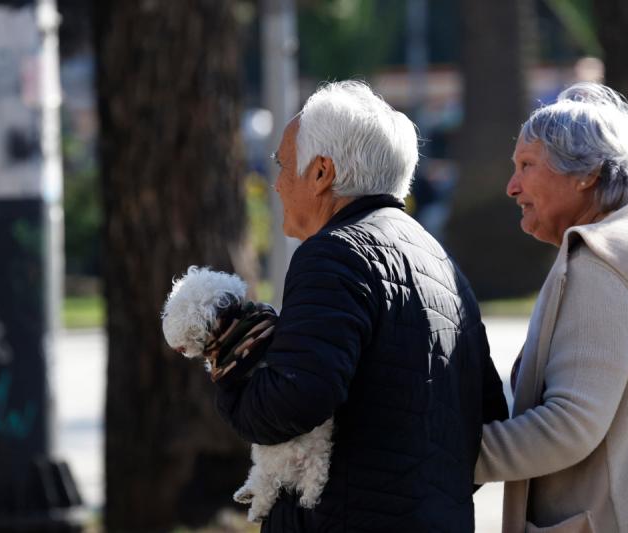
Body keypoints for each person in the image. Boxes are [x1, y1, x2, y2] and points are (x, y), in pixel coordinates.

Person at [215, 80, 508, 532]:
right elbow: (485, 416)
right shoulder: (438, 259)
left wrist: (231, 366)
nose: (275, 184)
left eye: (282, 165)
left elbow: (291, 402)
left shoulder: (332, 254)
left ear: (321, 172)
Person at [475, 82, 628, 532]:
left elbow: (568, 426)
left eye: (527, 165)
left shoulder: (599, 265)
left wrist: (445, 455)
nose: (512, 187)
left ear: (586, 173)